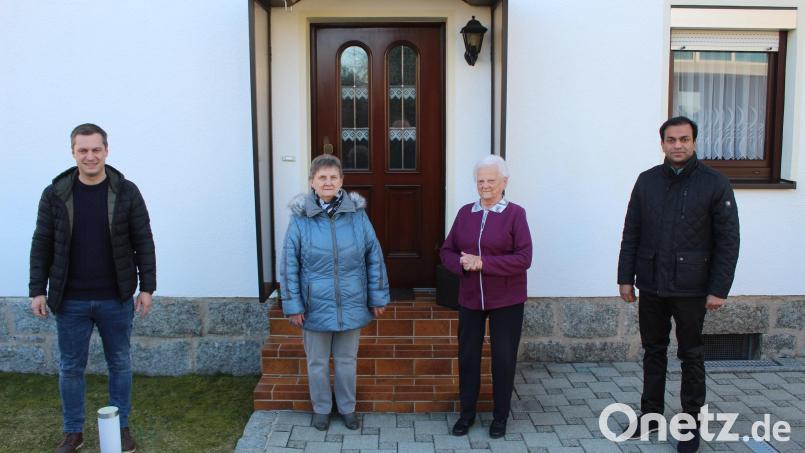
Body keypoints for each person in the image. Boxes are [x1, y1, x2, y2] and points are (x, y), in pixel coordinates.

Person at [29, 123, 156, 453]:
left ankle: (120, 428)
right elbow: (42, 242)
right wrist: (37, 289)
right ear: (73, 152)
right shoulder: (55, 194)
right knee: (70, 368)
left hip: (116, 298)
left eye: (96, 149)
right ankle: (73, 433)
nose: (90, 156)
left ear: (106, 151)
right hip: (70, 300)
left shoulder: (126, 191)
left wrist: (147, 287)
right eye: (82, 150)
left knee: (120, 364)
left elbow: (143, 240)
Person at [617, 116, 739, 452]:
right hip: (651, 284)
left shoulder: (715, 183)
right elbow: (631, 232)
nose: (678, 145)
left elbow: (728, 241)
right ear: (662, 144)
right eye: (671, 140)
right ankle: (650, 416)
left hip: (692, 287)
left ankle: (690, 424)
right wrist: (625, 278)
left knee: (691, 355)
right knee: (653, 352)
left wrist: (719, 288)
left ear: (694, 142)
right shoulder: (647, 181)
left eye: (684, 139)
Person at [280, 154, 389, 431]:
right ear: (312, 182)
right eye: (322, 177)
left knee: (346, 361)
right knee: (317, 362)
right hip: (314, 306)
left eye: (333, 177)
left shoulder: (358, 216)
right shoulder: (300, 220)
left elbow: (373, 256)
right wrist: (293, 305)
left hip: (352, 302)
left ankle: (347, 408)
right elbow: (289, 264)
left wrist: (377, 296)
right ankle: (321, 409)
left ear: (341, 181)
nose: (327, 182)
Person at [440, 155, 532, 439]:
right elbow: (446, 251)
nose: (485, 185)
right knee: (468, 357)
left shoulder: (515, 214)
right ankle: (466, 414)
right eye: (480, 180)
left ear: (504, 182)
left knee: (503, 359)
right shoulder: (465, 213)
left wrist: (484, 263)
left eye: (491, 180)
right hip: (470, 298)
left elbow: (524, 258)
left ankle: (500, 416)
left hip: (507, 300)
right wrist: (461, 264)